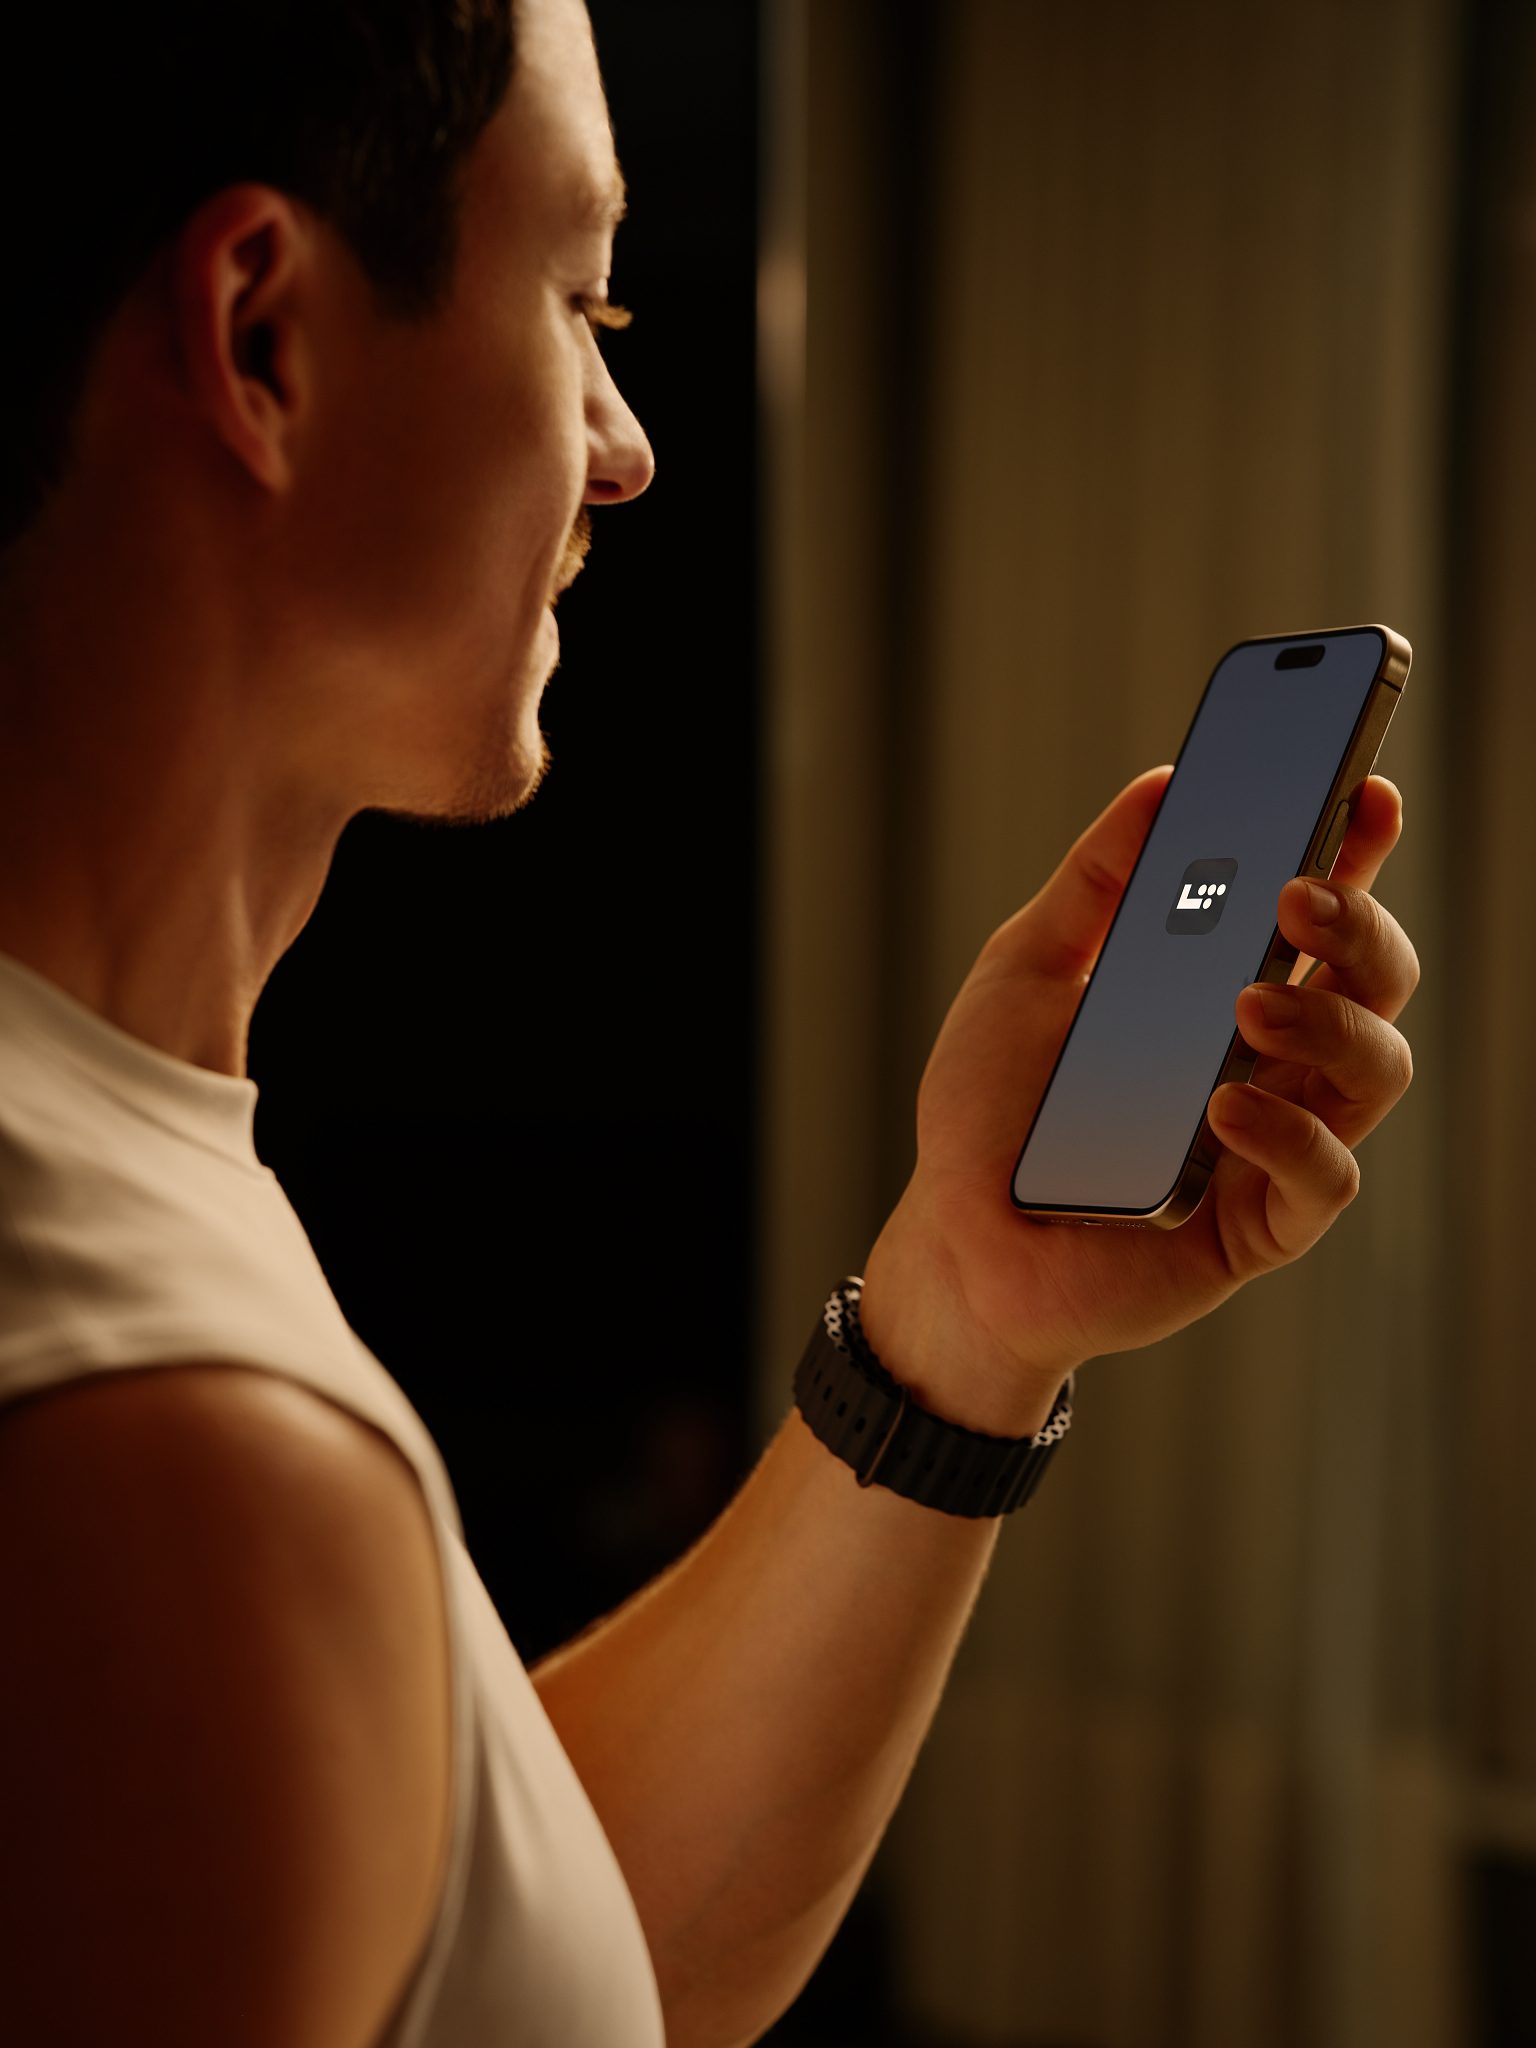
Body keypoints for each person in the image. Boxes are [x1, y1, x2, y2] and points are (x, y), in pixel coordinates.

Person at [0, 0, 1420, 2043]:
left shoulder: (112, 1186)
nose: (625, 444)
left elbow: (524, 1950)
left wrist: (965, 1315)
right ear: (264, 340)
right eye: (584, 302)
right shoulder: (164, 1462)